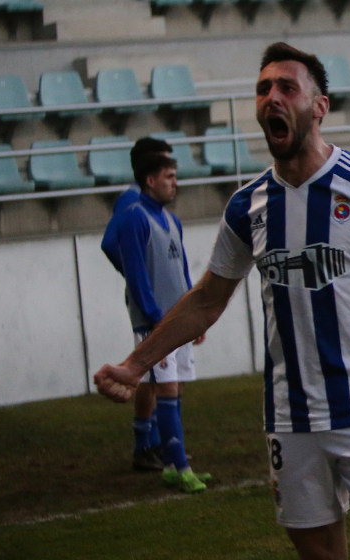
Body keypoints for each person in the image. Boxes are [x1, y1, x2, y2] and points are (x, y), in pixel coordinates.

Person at [94, 41, 350, 559]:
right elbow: (207, 298)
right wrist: (136, 364)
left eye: (287, 88)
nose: (272, 98)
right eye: (263, 89)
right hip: (289, 418)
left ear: (319, 106)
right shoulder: (246, 207)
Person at [114, 149, 211, 493]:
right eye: (169, 177)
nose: (175, 184)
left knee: (177, 386)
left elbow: (182, 272)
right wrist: (157, 320)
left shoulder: (173, 220)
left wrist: (193, 317)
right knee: (166, 387)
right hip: (154, 323)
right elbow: (137, 277)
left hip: (177, 320)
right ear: (150, 180)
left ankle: (172, 463)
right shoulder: (134, 218)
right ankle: (181, 466)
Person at [100, 136, 176, 472]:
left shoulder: (145, 202)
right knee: (152, 374)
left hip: (158, 297)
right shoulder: (132, 200)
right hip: (148, 300)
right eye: (164, 163)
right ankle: (147, 443)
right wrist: (135, 273)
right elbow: (109, 243)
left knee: (155, 375)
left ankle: (151, 441)